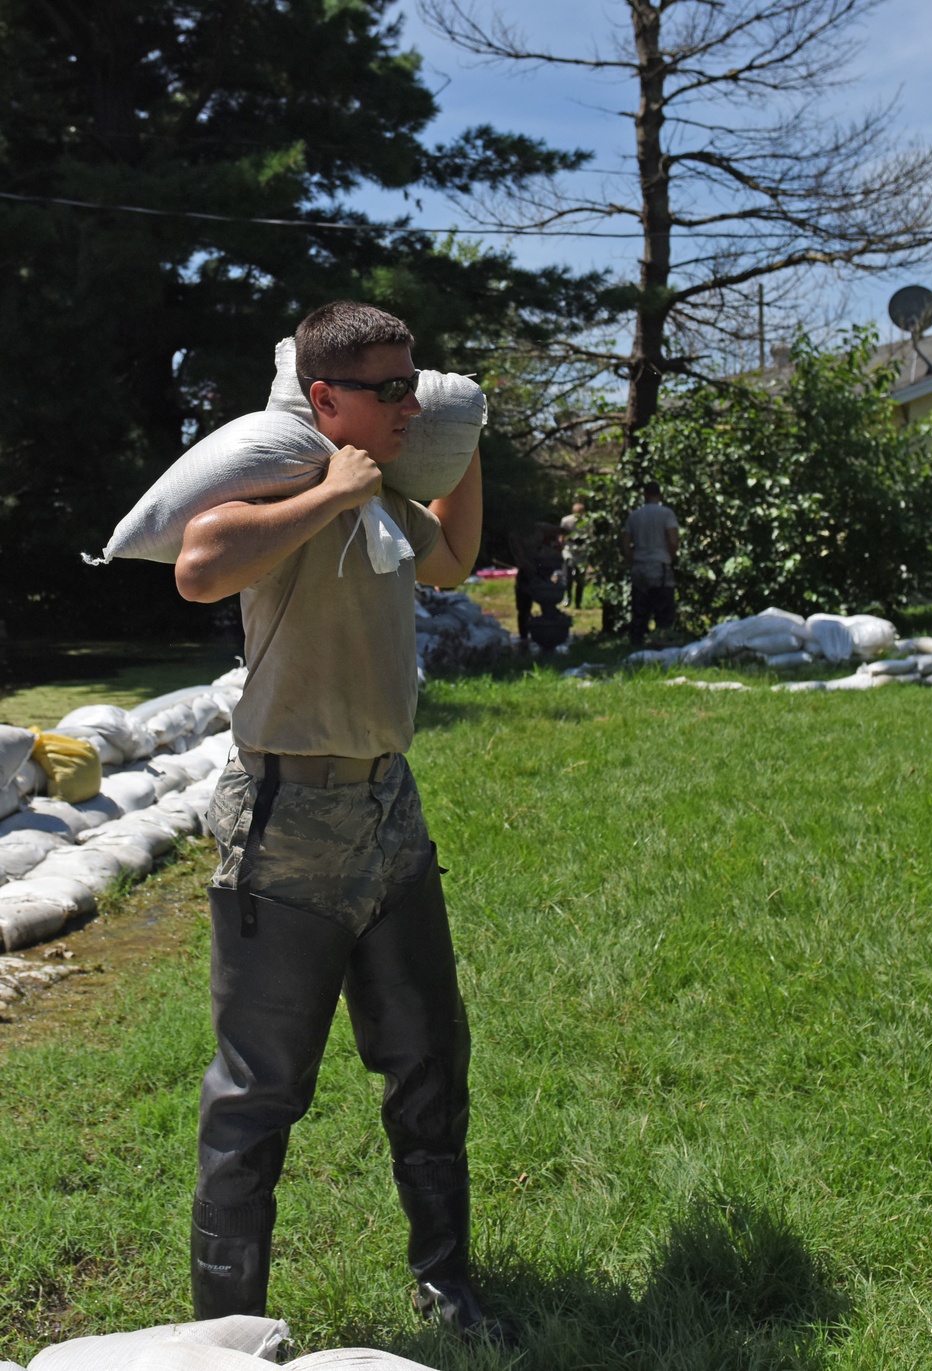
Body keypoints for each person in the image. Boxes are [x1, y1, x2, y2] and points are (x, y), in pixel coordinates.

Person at [174, 301, 495, 1337]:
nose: (409, 404)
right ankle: (228, 1338)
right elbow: (199, 568)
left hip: (386, 811)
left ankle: (447, 1290)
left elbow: (449, 560)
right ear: (325, 401)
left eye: (415, 386)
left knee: (429, 1063)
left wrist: (460, 444)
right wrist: (329, 491)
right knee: (256, 1100)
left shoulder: (388, 496)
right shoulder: (285, 475)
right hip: (286, 825)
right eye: (389, 390)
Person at [622, 481, 679, 646]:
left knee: (640, 608)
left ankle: (636, 642)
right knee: (663, 608)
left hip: (639, 566)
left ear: (644, 495)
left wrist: (632, 558)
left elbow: (625, 543)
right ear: (659, 495)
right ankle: (662, 641)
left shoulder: (635, 515)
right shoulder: (666, 514)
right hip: (659, 565)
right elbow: (673, 540)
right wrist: (670, 557)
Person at [559, 501, 587, 609]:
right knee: (568, 576)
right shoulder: (566, 521)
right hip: (569, 551)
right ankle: (568, 598)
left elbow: (590, 536)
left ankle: (578, 602)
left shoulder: (587, 522)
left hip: (582, 552)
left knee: (580, 578)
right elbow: (562, 536)